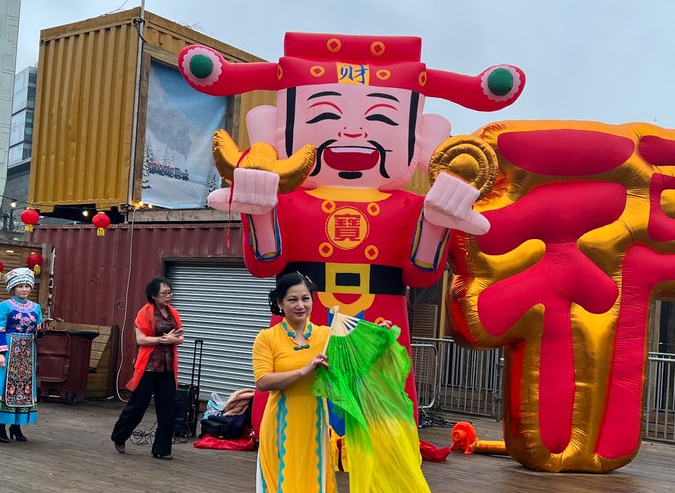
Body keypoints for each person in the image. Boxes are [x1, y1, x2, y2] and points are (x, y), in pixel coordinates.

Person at [181, 32, 525, 419]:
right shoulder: (289, 201)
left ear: (419, 134)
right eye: (325, 114)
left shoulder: (412, 205)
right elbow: (266, 264)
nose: (353, 132)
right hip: (306, 316)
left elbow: (421, 274)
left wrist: (436, 224)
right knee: (304, 398)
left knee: (376, 403)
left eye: (380, 116)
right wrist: (259, 211)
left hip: (380, 314)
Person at [252, 271, 342, 493]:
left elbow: (354, 365)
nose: (301, 304)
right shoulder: (268, 338)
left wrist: (377, 335)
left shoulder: (326, 335)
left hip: (315, 434)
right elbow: (263, 381)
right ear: (279, 303)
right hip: (280, 431)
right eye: (292, 299)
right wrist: (304, 371)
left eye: (305, 298)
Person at [111, 277, 184, 460]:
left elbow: (180, 337)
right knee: (138, 405)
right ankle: (119, 436)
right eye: (164, 293)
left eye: (170, 292)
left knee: (168, 408)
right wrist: (161, 339)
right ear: (153, 295)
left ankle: (162, 449)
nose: (168, 296)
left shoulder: (173, 313)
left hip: (167, 367)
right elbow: (141, 339)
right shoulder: (145, 312)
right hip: (149, 366)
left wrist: (174, 339)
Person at [0, 267, 43, 443]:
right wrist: (0, 354)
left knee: (23, 390)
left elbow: (39, 331)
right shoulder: (4, 306)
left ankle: (16, 426)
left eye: (27, 286)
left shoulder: (36, 308)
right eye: (20, 286)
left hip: (27, 352)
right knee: (5, 388)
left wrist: (44, 331)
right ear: (13, 288)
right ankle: (0, 427)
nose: (24, 289)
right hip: (8, 350)